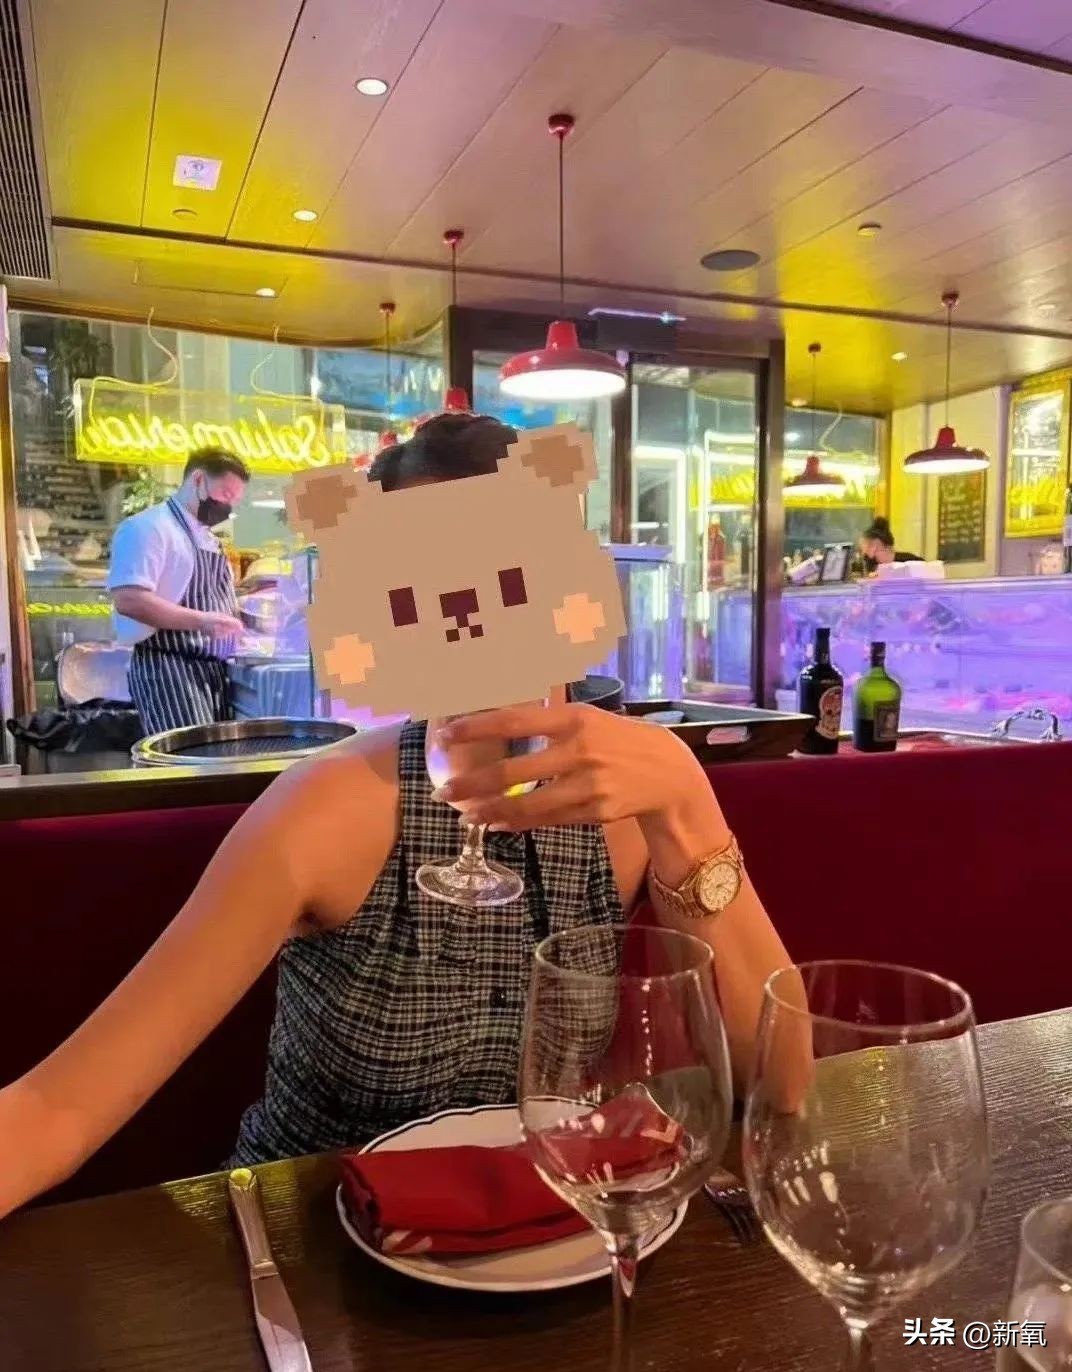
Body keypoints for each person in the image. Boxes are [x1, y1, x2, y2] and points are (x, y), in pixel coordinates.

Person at [0, 414, 797, 1218]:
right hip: (311, 1243)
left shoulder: (626, 804)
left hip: (540, 1234)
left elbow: (786, 1079)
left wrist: (687, 804)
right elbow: (59, 1109)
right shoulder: (327, 808)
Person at [107, 448, 249, 735]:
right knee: (189, 759)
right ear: (198, 480)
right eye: (225, 494)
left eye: (234, 500)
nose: (227, 506)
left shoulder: (208, 539)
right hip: (168, 670)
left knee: (214, 758)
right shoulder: (147, 528)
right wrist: (203, 621)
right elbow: (129, 600)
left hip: (212, 673)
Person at [858, 515, 922, 572]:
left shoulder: (913, 562)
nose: (863, 552)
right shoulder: (870, 565)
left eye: (863, 546)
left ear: (874, 546)